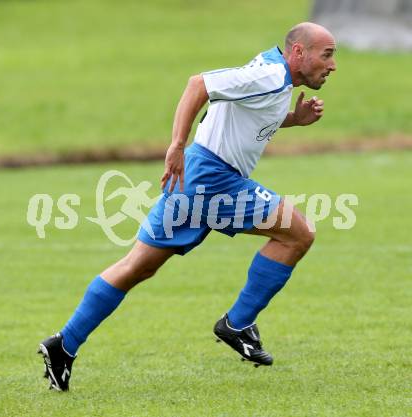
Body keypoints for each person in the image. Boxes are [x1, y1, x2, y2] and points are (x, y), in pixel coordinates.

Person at [38, 21, 337, 391]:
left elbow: (241, 116)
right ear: (298, 53)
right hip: (213, 178)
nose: (332, 64)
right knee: (298, 233)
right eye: (327, 54)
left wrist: (294, 120)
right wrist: (176, 144)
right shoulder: (272, 75)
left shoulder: (275, 76)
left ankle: (63, 345)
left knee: (137, 267)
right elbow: (199, 84)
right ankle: (238, 323)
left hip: (199, 174)